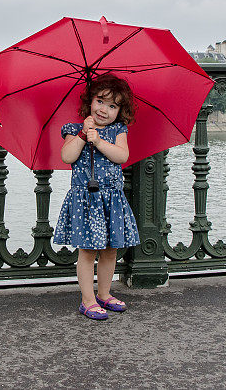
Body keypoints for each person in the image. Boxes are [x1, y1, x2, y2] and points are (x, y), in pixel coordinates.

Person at [53, 73, 140, 320]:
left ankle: (104, 293)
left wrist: (99, 141)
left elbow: (122, 156)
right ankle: (87, 299)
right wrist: (83, 135)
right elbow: (67, 157)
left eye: (113, 106)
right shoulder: (73, 129)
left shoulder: (118, 131)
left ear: (120, 111)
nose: (105, 109)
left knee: (111, 249)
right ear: (90, 101)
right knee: (88, 251)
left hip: (111, 199)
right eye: (100, 101)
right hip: (86, 202)